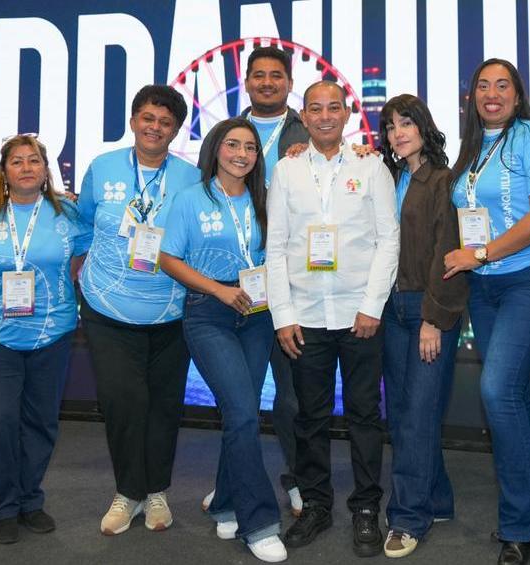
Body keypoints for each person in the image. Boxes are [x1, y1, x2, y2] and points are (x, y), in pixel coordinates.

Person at [268, 80, 399, 557]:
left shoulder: (371, 166)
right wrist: (283, 315)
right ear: (303, 116)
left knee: (365, 416)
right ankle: (316, 505)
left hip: (359, 315)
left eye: (333, 108)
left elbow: (388, 239)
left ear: (347, 114)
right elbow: (276, 245)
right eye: (315, 109)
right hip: (305, 315)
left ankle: (366, 508)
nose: (325, 116)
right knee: (309, 418)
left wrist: (372, 305)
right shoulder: (286, 170)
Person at [442, 58, 530, 565]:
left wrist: (483, 253)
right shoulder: (470, 149)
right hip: (484, 290)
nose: (492, 93)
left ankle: (517, 527)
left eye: (502, 85)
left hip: (527, 281)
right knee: (511, 397)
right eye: (483, 86)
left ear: (517, 93)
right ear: (471, 97)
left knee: (496, 390)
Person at [159, 118, 287, 562]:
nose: (241, 154)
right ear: (216, 149)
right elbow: (167, 257)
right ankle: (259, 523)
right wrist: (218, 290)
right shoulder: (190, 199)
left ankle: (227, 502)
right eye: (233, 145)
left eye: (250, 147)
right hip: (209, 312)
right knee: (243, 412)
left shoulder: (265, 198)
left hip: (257, 313)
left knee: (241, 413)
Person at [75, 84, 201, 535]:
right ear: (132, 121)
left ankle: (157, 491)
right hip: (107, 308)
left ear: (175, 131)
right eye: (148, 118)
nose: (155, 127)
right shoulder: (102, 167)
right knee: (123, 402)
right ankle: (128, 493)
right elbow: (82, 225)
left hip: (171, 311)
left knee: (164, 406)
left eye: (165, 122)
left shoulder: (191, 178)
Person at [0, 135, 87, 544]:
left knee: (41, 422)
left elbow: (83, 252)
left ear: (45, 170)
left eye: (34, 161)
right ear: (4, 172)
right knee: (3, 422)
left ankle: (30, 500)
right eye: (17, 161)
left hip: (53, 334)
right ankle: (5, 508)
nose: (26, 167)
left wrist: (65, 281)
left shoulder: (67, 213)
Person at [199, 44, 311, 518]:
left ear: (289, 83)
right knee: (239, 400)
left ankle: (299, 479)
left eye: (276, 75)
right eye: (258, 75)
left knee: (292, 398)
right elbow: (203, 192)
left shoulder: (309, 130)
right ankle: (232, 483)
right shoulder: (224, 134)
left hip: (289, 282)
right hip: (233, 289)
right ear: (246, 82)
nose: (267, 82)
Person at [376, 94, 469, 559]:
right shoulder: (389, 177)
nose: (398, 132)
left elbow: (447, 251)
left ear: (424, 127)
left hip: (427, 309)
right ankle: (437, 499)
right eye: (391, 126)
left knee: (416, 415)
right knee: (405, 414)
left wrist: (433, 317)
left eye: (407, 122)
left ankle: (408, 518)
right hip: (391, 310)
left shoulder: (443, 180)